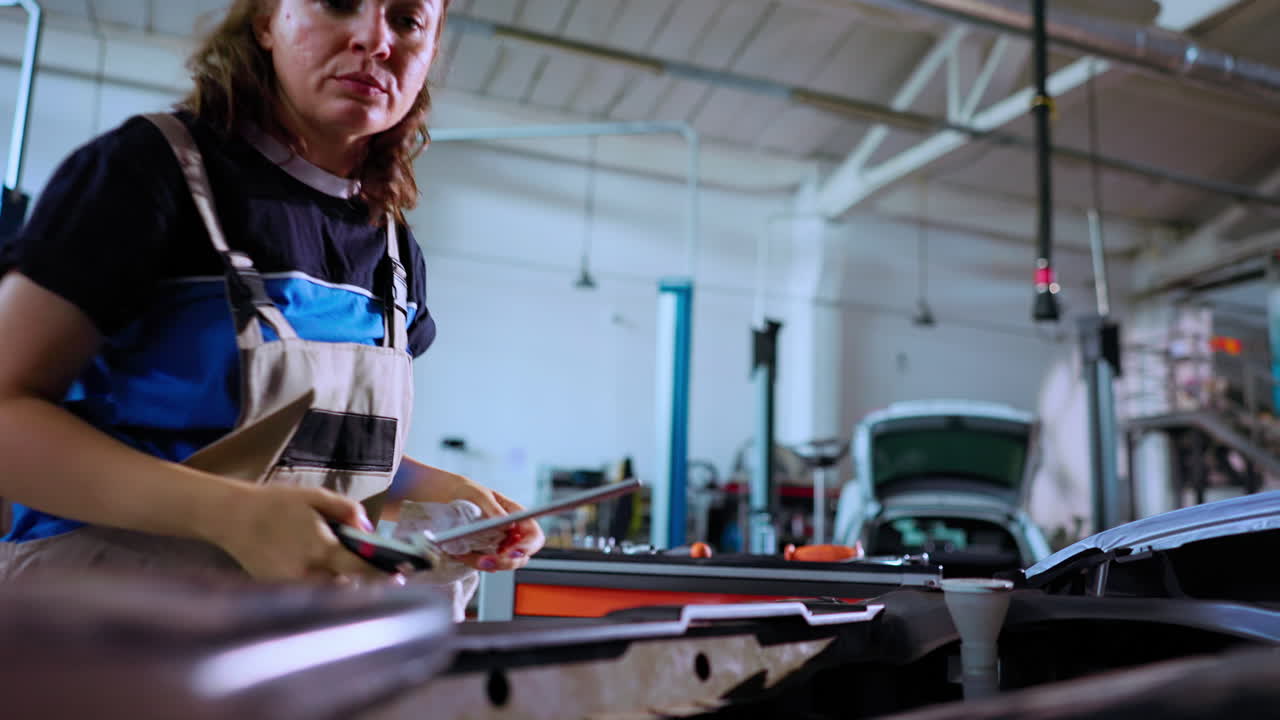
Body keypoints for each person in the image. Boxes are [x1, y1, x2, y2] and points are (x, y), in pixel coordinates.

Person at [0, 0, 543, 584]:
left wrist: (436, 489)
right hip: (94, 625)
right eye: (338, 4)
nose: (374, 40)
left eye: (407, 20)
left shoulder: (392, 249)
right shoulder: (149, 173)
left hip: (284, 639)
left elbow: (308, 449)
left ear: (430, 52)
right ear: (264, 21)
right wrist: (225, 515)